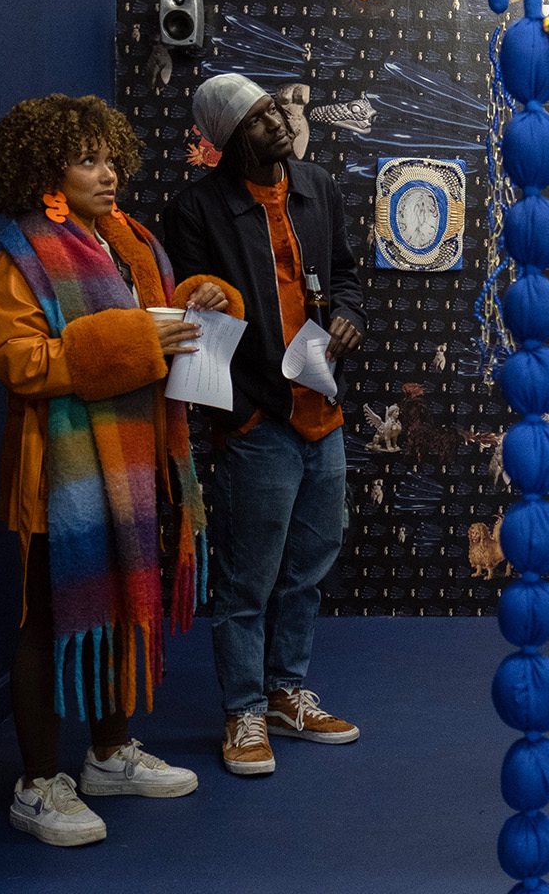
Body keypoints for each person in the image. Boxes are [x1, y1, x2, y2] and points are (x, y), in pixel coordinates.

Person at [0, 93, 243, 845]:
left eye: (111, 157)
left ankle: (109, 754)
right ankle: (36, 784)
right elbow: (19, 362)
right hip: (61, 477)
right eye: (87, 159)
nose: (109, 172)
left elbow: (155, 317)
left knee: (126, 598)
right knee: (50, 616)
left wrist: (198, 299)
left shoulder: (128, 239)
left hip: (137, 458)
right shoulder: (21, 253)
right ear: (44, 170)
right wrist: (129, 343)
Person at [162, 73, 367, 777]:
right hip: (257, 416)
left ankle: (286, 693)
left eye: (273, 109)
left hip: (324, 410)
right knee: (247, 580)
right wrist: (240, 411)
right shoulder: (196, 209)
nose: (276, 120)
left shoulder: (319, 188)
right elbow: (192, 307)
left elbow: (346, 274)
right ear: (227, 141)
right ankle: (244, 711)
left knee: (308, 568)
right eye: (255, 118)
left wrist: (350, 315)